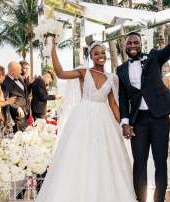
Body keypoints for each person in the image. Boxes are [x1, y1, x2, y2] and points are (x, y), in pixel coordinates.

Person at [36, 36, 137, 201]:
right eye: (96, 54)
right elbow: (60, 73)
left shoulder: (112, 78)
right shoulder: (84, 72)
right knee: (79, 156)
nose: (100, 56)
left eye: (103, 53)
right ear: (91, 56)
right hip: (83, 118)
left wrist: (124, 124)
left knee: (105, 159)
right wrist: (53, 48)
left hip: (105, 121)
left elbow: (113, 105)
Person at [117, 9, 170, 202]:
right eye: (129, 42)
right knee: (139, 163)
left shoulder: (154, 57)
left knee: (160, 163)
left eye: (136, 42)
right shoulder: (120, 69)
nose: (132, 45)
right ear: (124, 46)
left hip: (159, 118)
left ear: (141, 45)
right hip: (137, 121)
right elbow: (123, 98)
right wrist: (125, 122)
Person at [2, 61, 30, 132]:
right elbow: (5, 99)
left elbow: (25, 94)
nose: (21, 72)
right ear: (12, 71)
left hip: (25, 113)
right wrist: (17, 107)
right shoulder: (5, 81)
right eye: (19, 70)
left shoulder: (20, 79)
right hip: (16, 116)